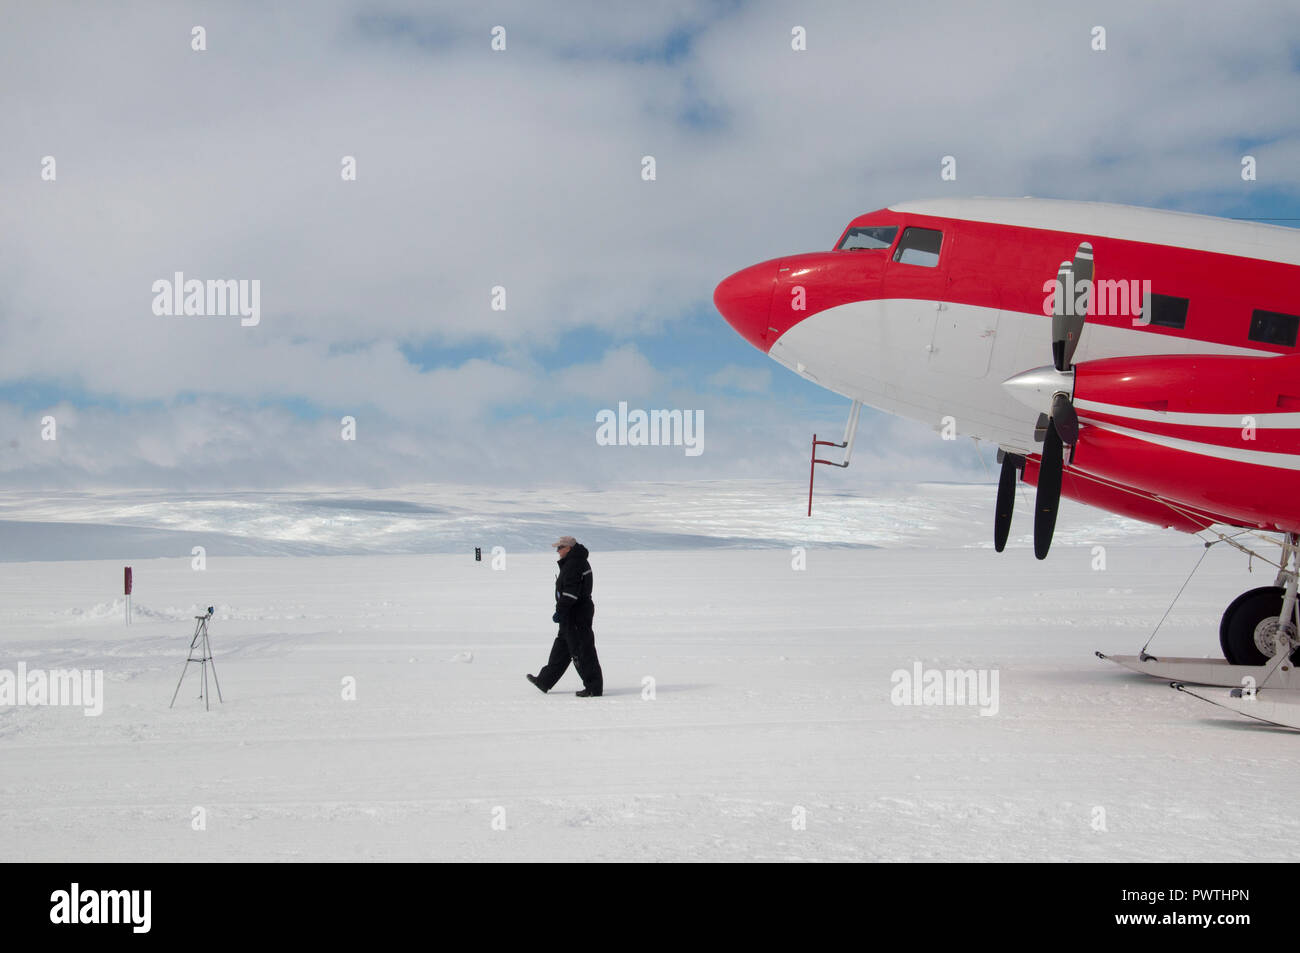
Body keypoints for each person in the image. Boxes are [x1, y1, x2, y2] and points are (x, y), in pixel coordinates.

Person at [527, 535, 603, 697]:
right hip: (573, 612)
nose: (558, 551)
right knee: (562, 646)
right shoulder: (575, 561)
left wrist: (560, 611)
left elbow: (570, 593)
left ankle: (593, 687)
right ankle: (545, 680)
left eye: (560, 548)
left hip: (576, 613)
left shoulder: (574, 564)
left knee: (582, 649)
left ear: (568, 548)